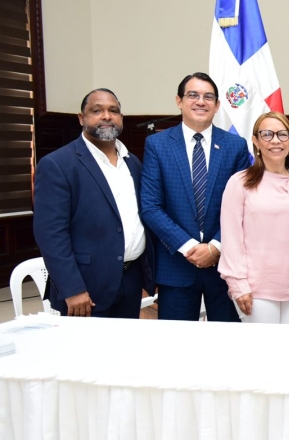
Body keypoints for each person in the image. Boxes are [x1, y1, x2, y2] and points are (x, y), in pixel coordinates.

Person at [33, 89, 154, 318]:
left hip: (130, 280)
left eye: (113, 111)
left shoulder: (133, 163)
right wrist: (72, 288)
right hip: (85, 287)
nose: (106, 116)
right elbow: (50, 234)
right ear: (82, 118)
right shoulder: (58, 164)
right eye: (97, 111)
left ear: (121, 118)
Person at [141, 72, 251, 322]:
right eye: (193, 95)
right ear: (179, 101)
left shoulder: (235, 146)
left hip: (225, 266)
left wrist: (215, 247)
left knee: (228, 340)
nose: (201, 101)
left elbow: (245, 206)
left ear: (217, 105)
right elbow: (150, 206)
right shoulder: (157, 145)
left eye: (208, 97)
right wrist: (190, 247)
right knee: (178, 342)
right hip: (176, 265)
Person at [218, 112, 289, 324]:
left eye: (282, 134)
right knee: (264, 346)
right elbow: (232, 239)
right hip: (255, 289)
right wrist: (238, 284)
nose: (276, 140)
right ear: (256, 141)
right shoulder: (239, 183)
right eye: (267, 134)